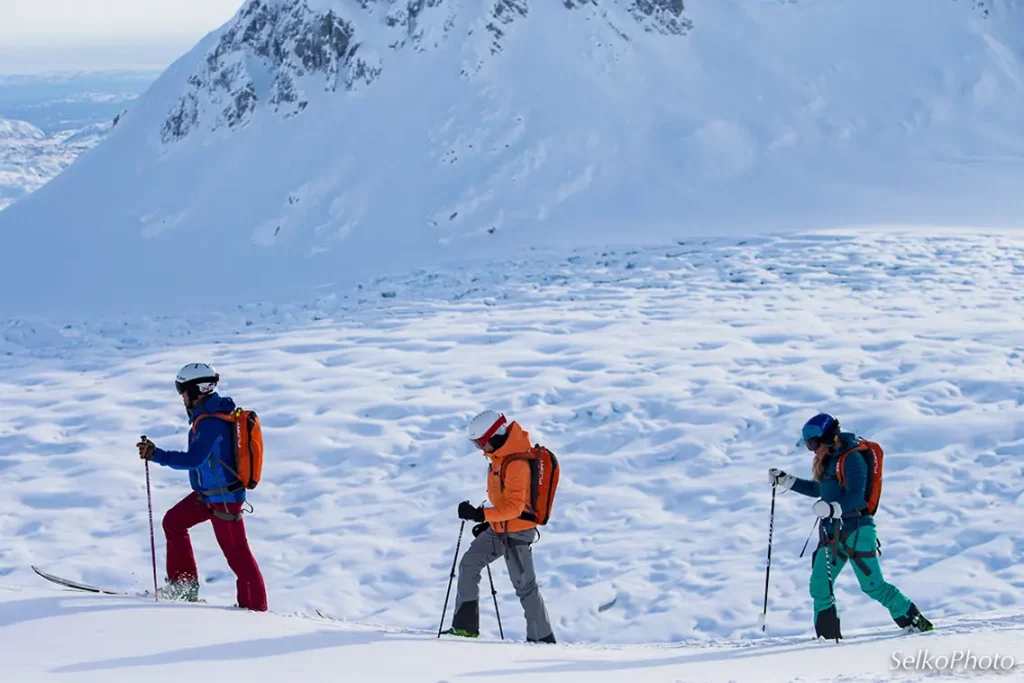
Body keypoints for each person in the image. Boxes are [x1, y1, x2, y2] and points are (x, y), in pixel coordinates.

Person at [769, 413, 932, 640]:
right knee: (819, 585)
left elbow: (858, 497)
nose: (812, 450)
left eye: (813, 443)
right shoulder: (828, 461)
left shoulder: (852, 458)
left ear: (827, 437)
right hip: (833, 533)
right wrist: (787, 481)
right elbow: (821, 490)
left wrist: (833, 508)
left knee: (873, 586)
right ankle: (826, 639)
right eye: (808, 445)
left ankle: (918, 624)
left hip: (858, 529)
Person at [136, 362, 268, 612]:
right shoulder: (209, 416)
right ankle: (183, 587)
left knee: (238, 557)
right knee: (173, 522)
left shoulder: (211, 423)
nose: (182, 398)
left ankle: (255, 611)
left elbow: (193, 459)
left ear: (196, 391)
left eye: (183, 392)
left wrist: (157, 455)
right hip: (207, 496)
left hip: (224, 500)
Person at [445, 410, 556, 643]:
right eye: (477, 444)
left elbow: (515, 507)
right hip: (499, 528)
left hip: (518, 531)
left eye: (482, 443)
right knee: (469, 564)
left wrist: (480, 515)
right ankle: (465, 628)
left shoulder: (516, 463)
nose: (481, 449)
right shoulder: (499, 459)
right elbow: (503, 503)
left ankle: (542, 640)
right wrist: (488, 522)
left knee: (525, 587)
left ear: (495, 435)